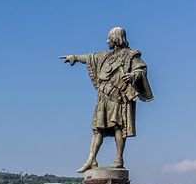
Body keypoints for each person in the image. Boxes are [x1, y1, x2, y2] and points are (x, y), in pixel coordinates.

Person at [61, 26, 154, 172]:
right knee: (97, 129)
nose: (107, 41)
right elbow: (90, 57)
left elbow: (141, 69)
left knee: (118, 127)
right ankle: (91, 159)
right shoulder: (106, 56)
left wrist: (133, 76)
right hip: (103, 97)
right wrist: (75, 57)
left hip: (118, 97)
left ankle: (119, 158)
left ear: (116, 39)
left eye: (109, 38)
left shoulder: (131, 55)